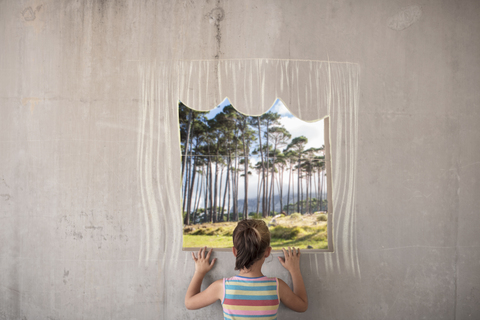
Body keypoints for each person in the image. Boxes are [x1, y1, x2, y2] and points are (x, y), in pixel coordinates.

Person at [185, 219, 308, 319]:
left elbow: (189, 303)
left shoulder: (223, 287)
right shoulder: (277, 286)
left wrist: (200, 272)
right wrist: (295, 270)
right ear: (267, 252)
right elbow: (302, 306)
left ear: (234, 251)